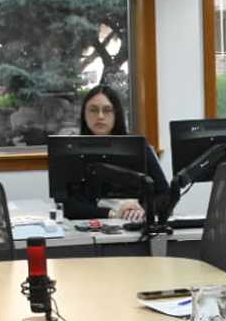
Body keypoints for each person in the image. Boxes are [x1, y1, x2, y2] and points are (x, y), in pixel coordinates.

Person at [70, 84, 168, 223]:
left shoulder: (139, 147)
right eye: (93, 110)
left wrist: (142, 209)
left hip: (135, 223)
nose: (100, 116)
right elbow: (69, 205)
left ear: (117, 114)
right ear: (84, 115)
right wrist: (113, 213)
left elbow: (164, 194)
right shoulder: (73, 151)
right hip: (95, 226)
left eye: (107, 110)